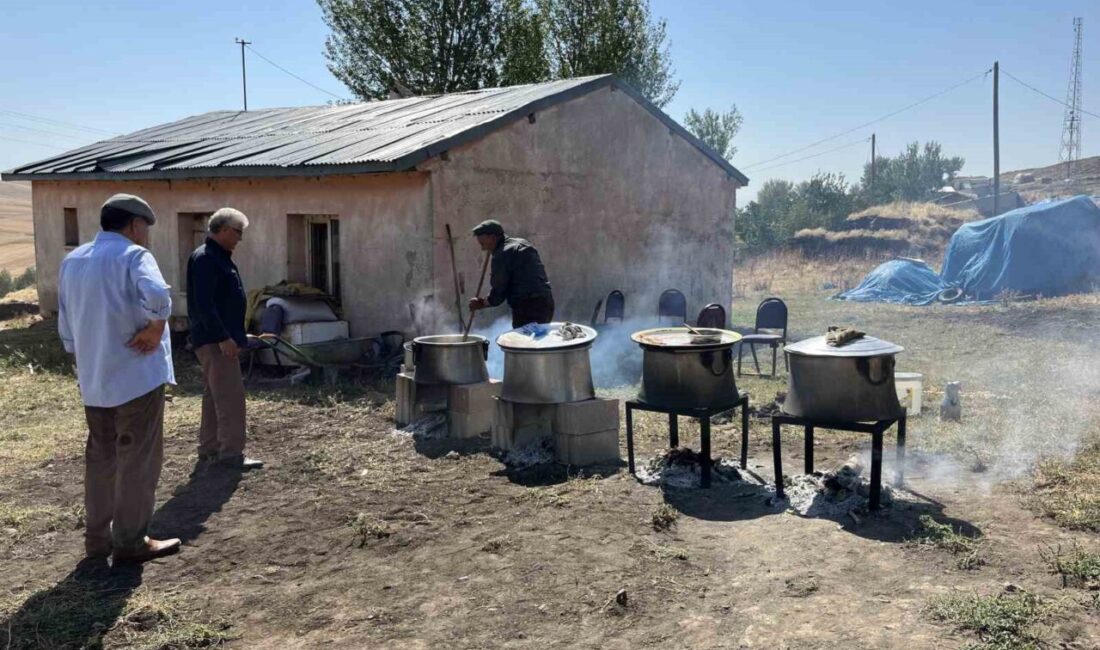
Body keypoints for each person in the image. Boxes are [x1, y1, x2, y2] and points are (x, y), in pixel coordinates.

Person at [58, 193, 181, 563]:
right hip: (135, 377)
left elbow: (66, 325)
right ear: (135, 225)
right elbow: (157, 293)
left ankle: (97, 540)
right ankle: (130, 541)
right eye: (144, 227)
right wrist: (156, 327)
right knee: (137, 460)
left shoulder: (73, 260)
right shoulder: (134, 256)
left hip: (95, 379)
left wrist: (84, 360)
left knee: (101, 460)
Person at [187, 208, 263, 471]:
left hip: (218, 338)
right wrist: (223, 337)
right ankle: (231, 453)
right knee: (230, 397)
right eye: (237, 232)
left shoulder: (216, 257)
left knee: (214, 395)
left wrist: (237, 335)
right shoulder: (207, 259)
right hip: (216, 342)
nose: (240, 238)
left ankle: (210, 448)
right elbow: (205, 305)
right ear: (224, 230)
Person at [467, 220, 554, 328]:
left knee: (525, 338)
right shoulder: (522, 243)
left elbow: (498, 292)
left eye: (483, 244)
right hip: (546, 302)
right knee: (540, 336)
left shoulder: (502, 254)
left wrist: (482, 303)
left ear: (493, 237)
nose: (483, 248)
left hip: (528, 308)